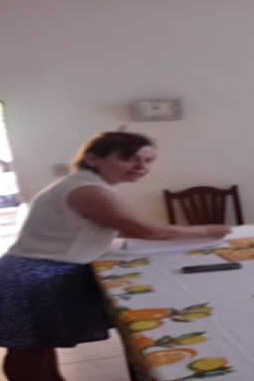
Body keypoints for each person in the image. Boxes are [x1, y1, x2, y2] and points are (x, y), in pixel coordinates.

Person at [0, 132, 232, 381]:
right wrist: (207, 231)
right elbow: (144, 230)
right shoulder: (88, 190)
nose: (141, 167)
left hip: (39, 271)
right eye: (128, 158)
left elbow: (116, 227)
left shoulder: (86, 185)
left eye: (148, 160)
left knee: (41, 345)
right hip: (35, 277)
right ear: (92, 159)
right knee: (29, 351)